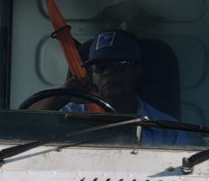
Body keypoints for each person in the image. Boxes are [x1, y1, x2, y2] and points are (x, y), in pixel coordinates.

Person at [65, 29, 193, 146]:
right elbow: (44, 135)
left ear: (137, 71)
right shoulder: (69, 116)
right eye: (100, 66)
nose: (108, 72)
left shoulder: (167, 129)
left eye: (120, 64)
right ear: (91, 75)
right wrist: (62, 96)